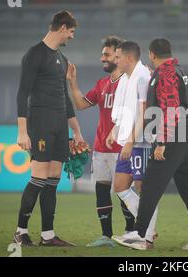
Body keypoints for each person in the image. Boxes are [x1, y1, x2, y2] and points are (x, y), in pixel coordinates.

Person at [113, 38, 188, 250]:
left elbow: (170, 107)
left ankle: (140, 235)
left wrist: (162, 141)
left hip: (172, 136)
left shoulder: (165, 73)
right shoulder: (177, 70)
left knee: (150, 185)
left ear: (151, 54)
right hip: (185, 135)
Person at [13, 10, 83, 247]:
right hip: (40, 121)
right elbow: (22, 93)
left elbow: (64, 96)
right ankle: (20, 232)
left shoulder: (62, 59)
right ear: (63, 28)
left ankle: (47, 235)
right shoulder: (34, 55)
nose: (72, 36)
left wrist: (77, 131)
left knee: (53, 178)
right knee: (39, 176)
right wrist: (22, 131)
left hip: (59, 125)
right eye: (71, 31)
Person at [66, 35, 137, 247]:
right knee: (102, 190)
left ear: (118, 55)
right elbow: (80, 104)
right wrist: (73, 82)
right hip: (100, 148)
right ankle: (106, 236)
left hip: (121, 147)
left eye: (106, 54)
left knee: (124, 190)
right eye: (102, 54)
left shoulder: (129, 83)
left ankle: (131, 232)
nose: (102, 58)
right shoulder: (102, 83)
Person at [106, 41, 159, 246]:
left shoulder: (143, 77)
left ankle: (145, 235)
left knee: (143, 188)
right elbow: (126, 110)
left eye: (117, 57)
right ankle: (146, 229)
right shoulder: (125, 78)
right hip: (128, 139)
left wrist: (130, 141)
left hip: (141, 141)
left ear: (129, 58)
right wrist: (115, 129)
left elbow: (144, 113)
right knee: (120, 186)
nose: (114, 60)